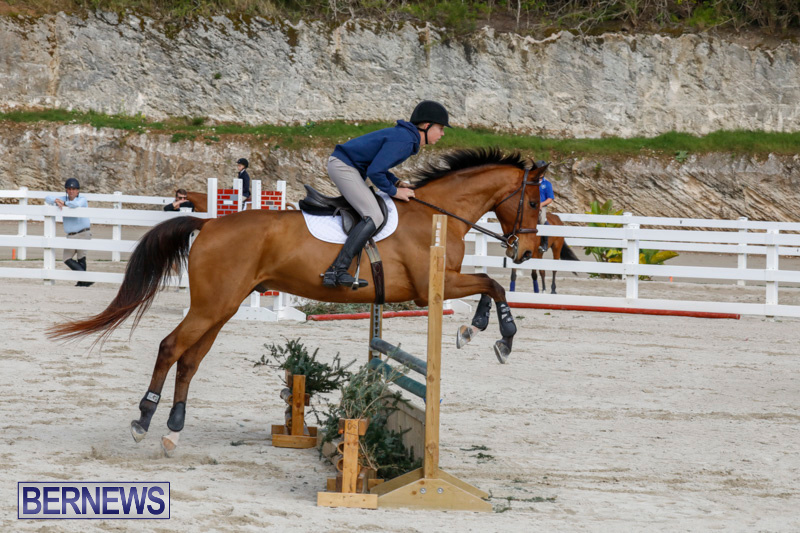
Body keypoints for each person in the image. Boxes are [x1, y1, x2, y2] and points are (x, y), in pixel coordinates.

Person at [322, 100, 450, 288]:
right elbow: (375, 172)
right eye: (440, 128)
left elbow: (378, 166)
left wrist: (396, 182)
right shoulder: (406, 140)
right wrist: (395, 191)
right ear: (426, 125)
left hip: (350, 166)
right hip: (344, 166)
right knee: (374, 215)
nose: (442, 133)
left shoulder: (406, 137)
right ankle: (337, 270)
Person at [44, 178, 94, 287]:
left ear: (78, 190)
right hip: (71, 235)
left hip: (83, 233)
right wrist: (56, 201)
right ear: (66, 190)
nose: (71, 191)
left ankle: (82, 282)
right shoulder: (63, 199)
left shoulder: (82, 199)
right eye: (69, 189)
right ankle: (86, 279)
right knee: (67, 258)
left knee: (81, 258)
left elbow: (75, 205)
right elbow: (47, 198)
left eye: (74, 189)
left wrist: (64, 203)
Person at [536, 160, 555, 253]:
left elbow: (550, 198)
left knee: (542, 220)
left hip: (541, 206)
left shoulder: (547, 184)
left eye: (543, 170)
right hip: (530, 206)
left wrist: (541, 204)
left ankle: (544, 243)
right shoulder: (531, 182)